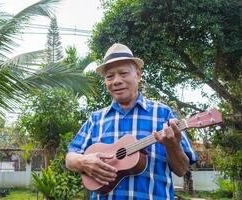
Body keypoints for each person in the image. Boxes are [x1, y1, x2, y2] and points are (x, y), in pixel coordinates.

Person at [65, 43, 198, 199]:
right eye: (109, 76)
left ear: (138, 75)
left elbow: (182, 170)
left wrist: (173, 146)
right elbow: (70, 158)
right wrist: (83, 162)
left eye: (123, 73)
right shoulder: (96, 119)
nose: (116, 81)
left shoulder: (163, 114)